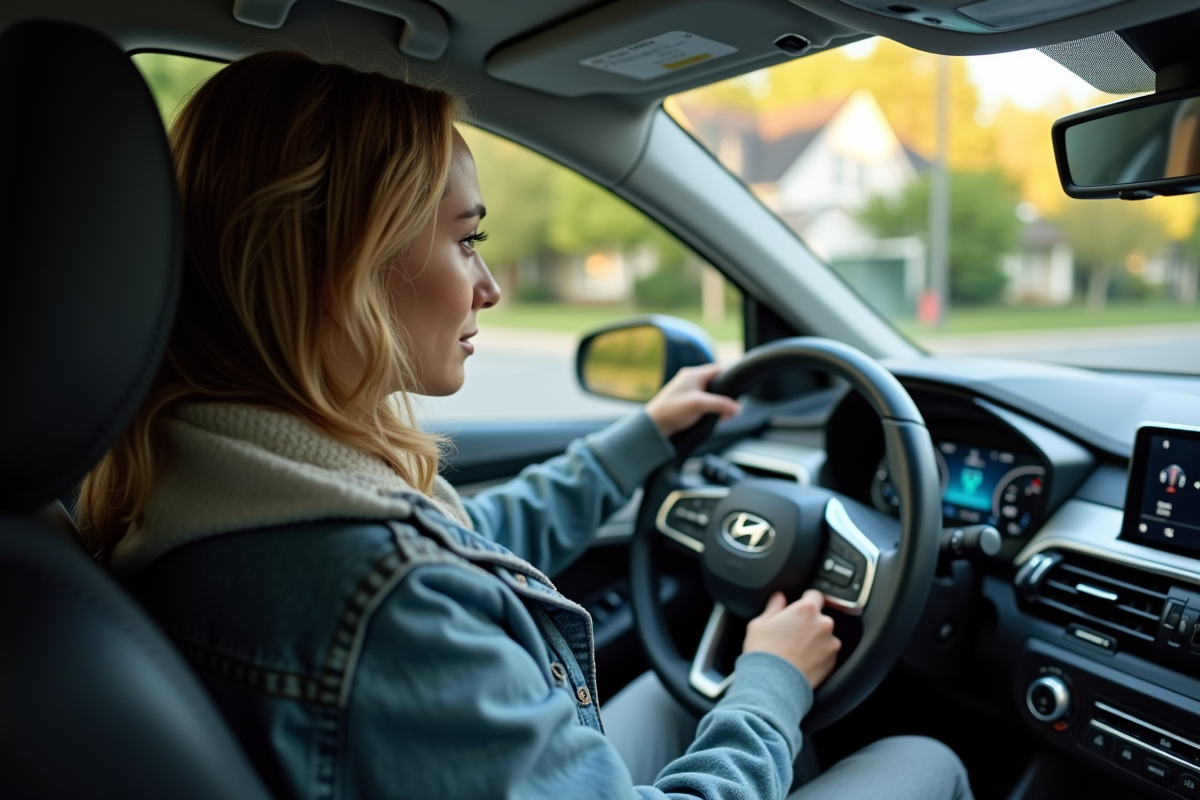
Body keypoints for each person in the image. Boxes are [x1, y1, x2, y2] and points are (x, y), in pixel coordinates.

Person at [78, 51, 974, 800]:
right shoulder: (385, 603)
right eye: (466, 239)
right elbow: (426, 582)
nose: (489, 286)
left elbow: (469, 547)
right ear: (340, 265)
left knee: (676, 706)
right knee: (926, 762)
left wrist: (639, 441)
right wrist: (771, 682)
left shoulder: (199, 473)